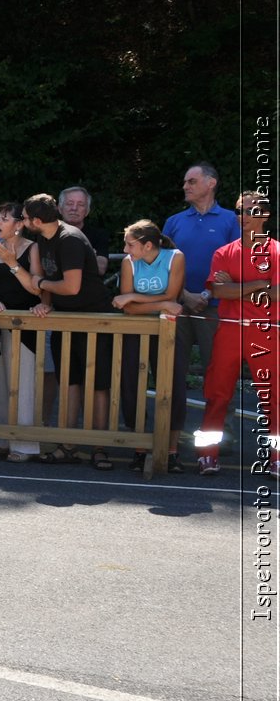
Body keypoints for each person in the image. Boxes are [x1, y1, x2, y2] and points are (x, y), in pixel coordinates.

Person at [14, 193, 116, 469]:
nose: (21, 222)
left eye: (24, 218)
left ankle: (99, 447)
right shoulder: (44, 238)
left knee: (98, 385)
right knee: (69, 382)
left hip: (95, 319)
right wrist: (46, 303)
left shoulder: (69, 238)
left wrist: (42, 284)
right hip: (66, 319)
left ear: (36, 220)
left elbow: (71, 286)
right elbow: (54, 283)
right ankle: (67, 444)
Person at [194, 191, 278, 476]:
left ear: (265, 216)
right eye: (239, 211)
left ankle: (276, 457)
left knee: (273, 397)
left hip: (266, 332)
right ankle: (208, 454)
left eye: (250, 211)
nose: (242, 217)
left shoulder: (276, 252)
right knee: (217, 395)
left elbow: (278, 295)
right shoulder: (224, 252)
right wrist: (258, 284)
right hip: (229, 330)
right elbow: (219, 291)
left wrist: (238, 287)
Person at [113, 219, 189, 473]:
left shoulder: (175, 258)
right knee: (131, 386)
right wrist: (156, 304)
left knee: (174, 385)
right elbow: (129, 311)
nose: (125, 250)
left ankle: (172, 450)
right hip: (137, 331)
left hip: (169, 331)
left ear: (147, 246)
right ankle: (139, 447)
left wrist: (134, 296)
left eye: (130, 244)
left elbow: (172, 297)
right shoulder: (128, 263)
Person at [164, 161, 240, 392]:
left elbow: (236, 266)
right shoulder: (174, 222)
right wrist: (185, 295)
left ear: (211, 183)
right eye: (185, 181)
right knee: (171, 371)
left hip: (217, 307)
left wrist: (205, 294)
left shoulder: (231, 220)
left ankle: (221, 428)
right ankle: (170, 428)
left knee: (219, 371)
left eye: (192, 181)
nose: (185, 186)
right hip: (177, 305)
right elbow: (160, 265)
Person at [0, 202, 44, 462]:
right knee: (1, 383)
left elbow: (36, 289)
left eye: (4, 218)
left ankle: (25, 444)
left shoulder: (32, 249)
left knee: (24, 383)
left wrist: (12, 263)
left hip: (25, 324)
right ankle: (2, 438)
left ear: (19, 224)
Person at [58, 186, 111, 276]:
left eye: (81, 204)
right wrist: (88, 256)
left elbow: (100, 268)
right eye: (70, 203)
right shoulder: (48, 234)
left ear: (87, 211)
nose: (74, 208)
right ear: (60, 208)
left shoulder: (98, 235)